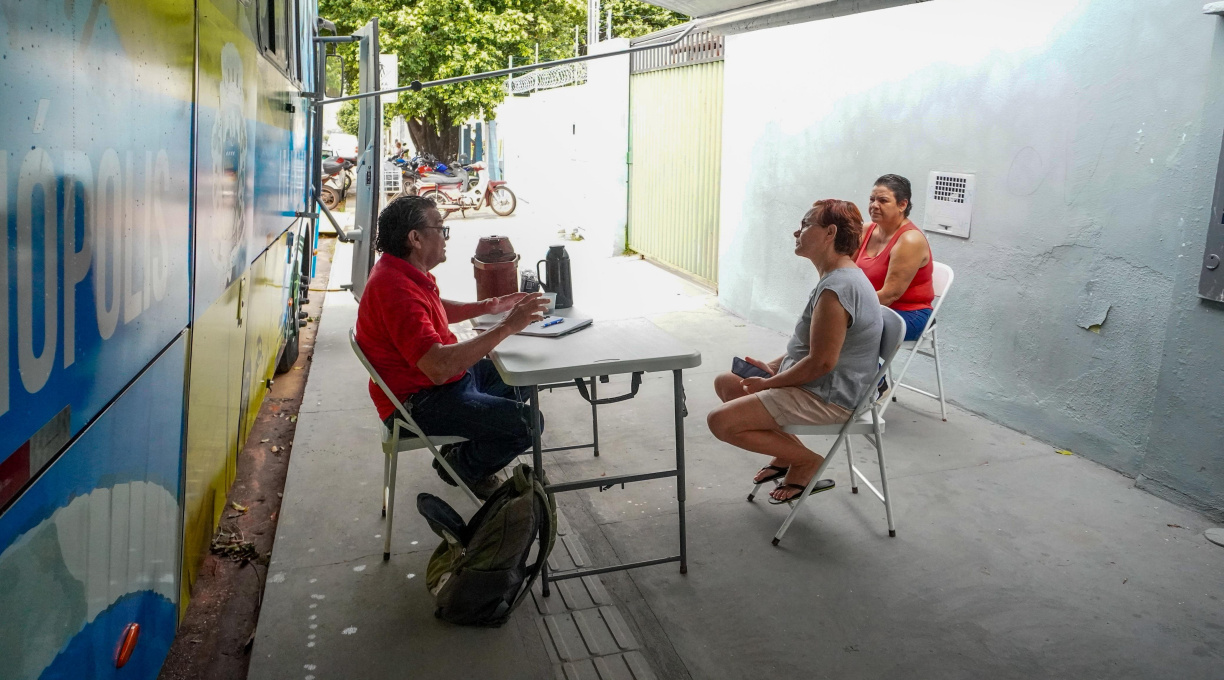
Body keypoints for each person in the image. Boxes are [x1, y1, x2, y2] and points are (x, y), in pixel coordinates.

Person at [355, 195, 549, 498]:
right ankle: (458, 467)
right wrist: (508, 325)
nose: (446, 238)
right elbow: (439, 368)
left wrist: (489, 306)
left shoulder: (399, 271)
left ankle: (463, 448)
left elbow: (434, 308)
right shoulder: (394, 290)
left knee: (523, 376)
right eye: (441, 229)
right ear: (415, 238)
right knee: (528, 425)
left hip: (440, 384)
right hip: (418, 401)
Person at [707, 200, 883, 503]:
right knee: (727, 382)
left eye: (805, 224)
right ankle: (786, 455)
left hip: (830, 396)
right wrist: (776, 366)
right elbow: (811, 348)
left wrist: (771, 383)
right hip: (818, 384)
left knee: (720, 422)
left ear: (829, 233)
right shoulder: (836, 279)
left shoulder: (837, 288)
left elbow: (822, 362)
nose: (796, 231)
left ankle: (806, 461)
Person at [855, 174, 935, 341]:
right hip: (873, 308)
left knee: (847, 327)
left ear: (902, 205)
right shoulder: (866, 230)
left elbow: (889, 295)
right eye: (872, 199)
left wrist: (849, 309)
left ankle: (861, 368)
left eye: (883, 201)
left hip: (908, 313)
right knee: (826, 318)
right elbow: (845, 270)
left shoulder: (910, 240)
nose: (874, 205)